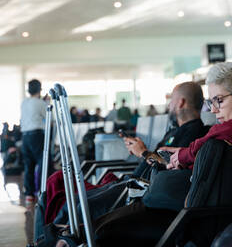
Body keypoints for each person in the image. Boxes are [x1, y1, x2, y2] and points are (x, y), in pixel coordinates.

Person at [95, 62, 232, 246]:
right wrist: (186, 154)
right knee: (100, 226)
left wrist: (187, 153)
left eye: (219, 100)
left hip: (199, 219)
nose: (213, 109)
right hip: (191, 211)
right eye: (211, 102)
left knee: (104, 232)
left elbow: (229, 130)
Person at [51, 82, 209, 226]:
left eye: (172, 100)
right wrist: (141, 150)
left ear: (180, 103)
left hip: (139, 192)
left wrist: (144, 152)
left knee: (79, 208)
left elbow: (170, 169)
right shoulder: (176, 131)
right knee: (72, 203)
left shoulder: (194, 133)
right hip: (131, 183)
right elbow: (161, 159)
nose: (170, 105)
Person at [20, 79, 47, 206]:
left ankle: (29, 196)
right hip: (37, 135)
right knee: (43, 163)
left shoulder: (24, 103)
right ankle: (42, 192)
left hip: (25, 136)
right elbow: (48, 117)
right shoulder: (40, 103)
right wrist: (47, 103)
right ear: (39, 89)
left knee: (28, 166)